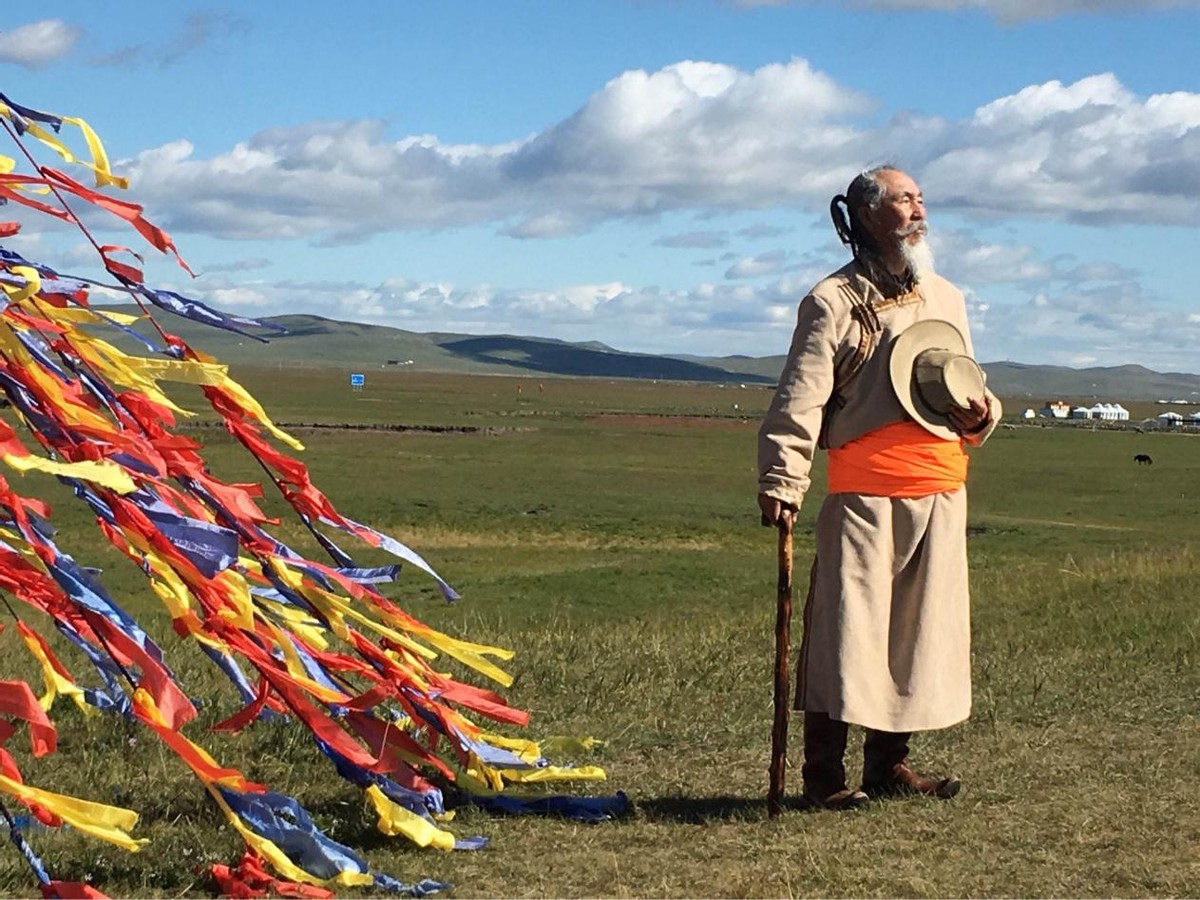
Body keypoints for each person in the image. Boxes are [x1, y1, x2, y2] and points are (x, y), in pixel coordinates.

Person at [757, 165, 1000, 811]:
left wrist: (983, 414)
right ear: (867, 214)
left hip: (943, 490)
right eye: (903, 199)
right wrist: (784, 477)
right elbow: (801, 396)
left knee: (916, 635)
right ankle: (823, 779)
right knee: (848, 632)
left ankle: (891, 765)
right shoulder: (833, 300)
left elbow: (968, 384)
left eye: (921, 198)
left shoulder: (946, 297)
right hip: (865, 495)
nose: (919, 209)